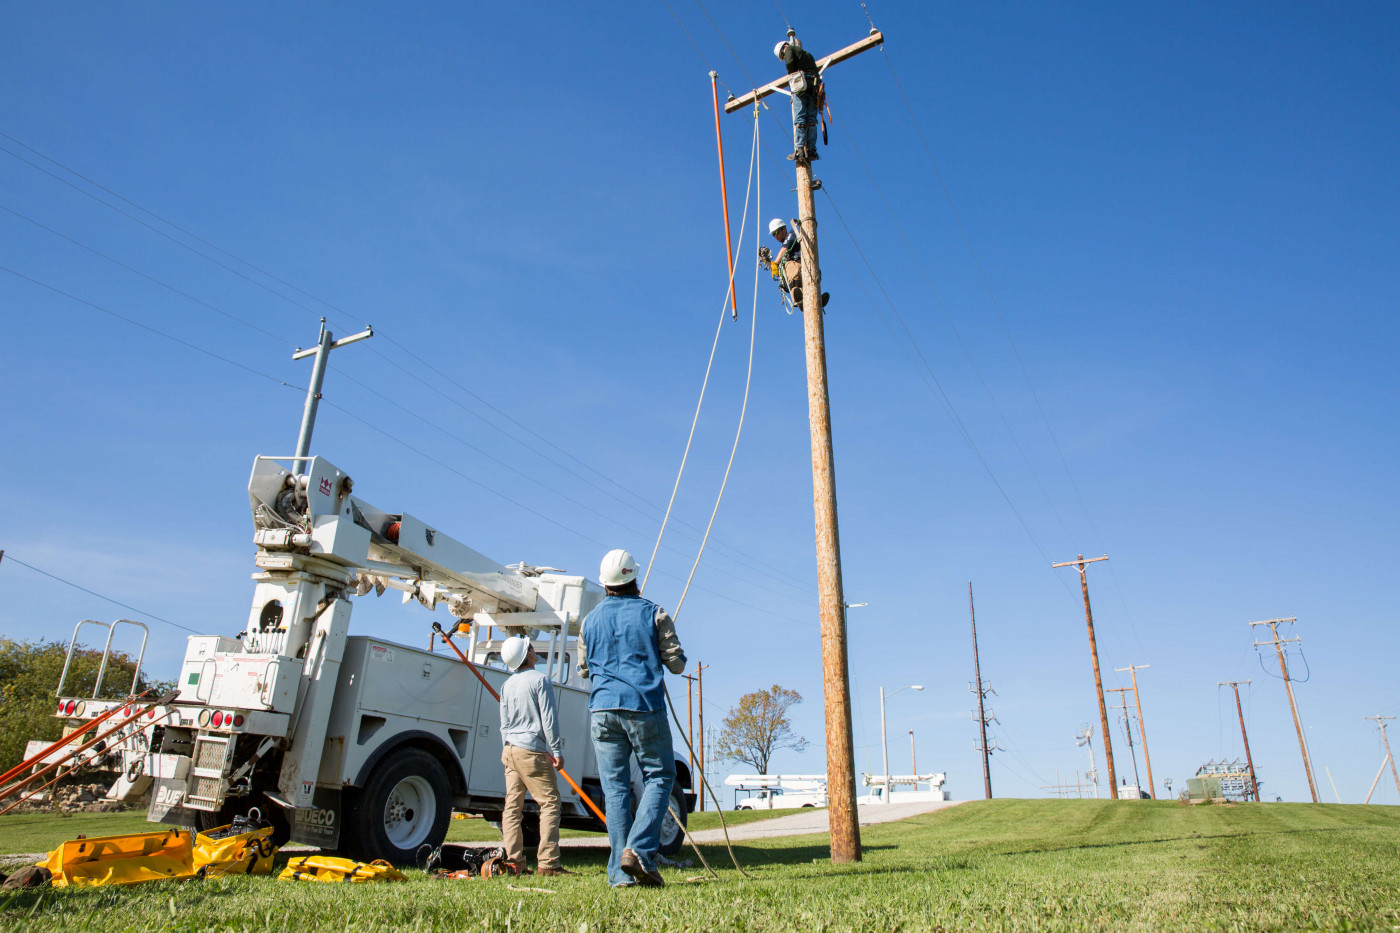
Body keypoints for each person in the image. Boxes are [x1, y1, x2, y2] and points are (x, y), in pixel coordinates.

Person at [578, 549, 686, 888]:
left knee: (616, 791)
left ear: (605, 583)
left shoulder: (589, 620)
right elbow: (677, 663)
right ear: (634, 579)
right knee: (660, 776)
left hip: (602, 711)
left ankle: (619, 876)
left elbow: (584, 669)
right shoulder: (654, 613)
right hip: (643, 707)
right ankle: (639, 851)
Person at [498, 634, 571, 876]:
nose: (533, 649)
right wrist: (557, 750)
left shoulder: (506, 685)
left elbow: (504, 724)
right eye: (530, 647)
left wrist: (509, 750)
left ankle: (515, 863)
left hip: (510, 750)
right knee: (550, 803)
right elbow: (549, 720)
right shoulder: (541, 680)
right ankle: (549, 863)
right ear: (528, 655)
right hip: (532, 751)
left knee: (512, 808)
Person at [773, 36, 821, 163]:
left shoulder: (789, 49)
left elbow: (789, 63)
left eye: (782, 56)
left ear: (783, 48)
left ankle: (799, 149)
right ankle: (811, 149)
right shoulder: (807, 55)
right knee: (811, 119)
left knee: (799, 118)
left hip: (802, 85)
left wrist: (791, 75)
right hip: (814, 86)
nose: (783, 58)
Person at [767, 217, 829, 311]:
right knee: (794, 278)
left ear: (784, 229)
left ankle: (815, 298)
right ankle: (799, 298)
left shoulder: (792, 233)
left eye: (776, 232)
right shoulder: (786, 252)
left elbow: (785, 248)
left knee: (791, 267)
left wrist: (775, 263)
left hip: (802, 264)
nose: (776, 236)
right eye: (773, 235)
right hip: (802, 268)